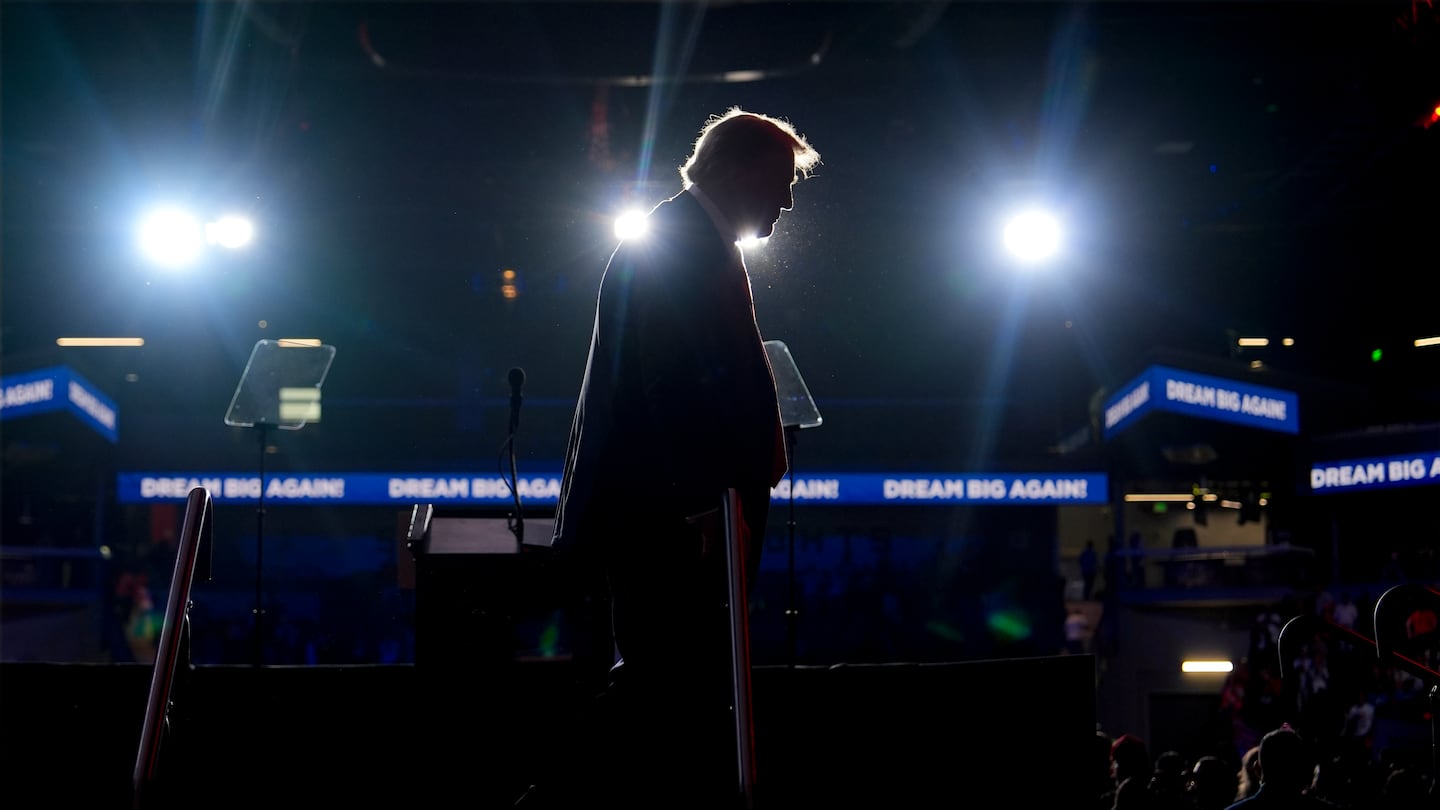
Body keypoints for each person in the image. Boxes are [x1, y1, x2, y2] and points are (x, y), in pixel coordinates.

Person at [530, 108, 821, 807]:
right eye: (780, 181)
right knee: (665, 683)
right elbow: (668, 384)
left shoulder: (688, 238)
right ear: (738, 169)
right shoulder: (681, 243)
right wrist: (701, 504)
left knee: (671, 686)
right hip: (676, 521)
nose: (786, 200)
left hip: (678, 513)